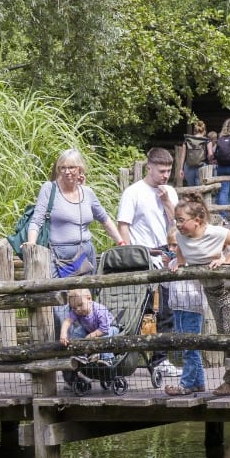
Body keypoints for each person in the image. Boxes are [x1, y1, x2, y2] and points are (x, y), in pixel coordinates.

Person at [165, 196, 230, 397]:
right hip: (210, 290)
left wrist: (226, 262)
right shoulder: (180, 237)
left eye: (182, 220)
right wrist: (179, 263)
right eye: (176, 220)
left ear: (198, 220)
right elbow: (184, 254)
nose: (178, 224)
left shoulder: (214, 232)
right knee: (225, 334)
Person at [116, 147, 182, 381]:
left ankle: (161, 359)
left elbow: (180, 223)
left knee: (166, 311)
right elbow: (123, 224)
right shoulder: (133, 192)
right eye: (161, 171)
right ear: (149, 167)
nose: (165, 175)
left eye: (169, 171)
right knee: (142, 311)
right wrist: (128, 256)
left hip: (166, 256)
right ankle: (127, 357)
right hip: (142, 258)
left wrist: (166, 202)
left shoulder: (170, 192)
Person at [26, 148, 123, 277]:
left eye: (71, 167)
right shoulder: (49, 189)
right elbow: (37, 220)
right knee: (60, 295)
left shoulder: (87, 192)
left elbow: (104, 219)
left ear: (80, 169)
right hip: (59, 256)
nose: (67, 172)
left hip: (85, 254)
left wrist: (121, 243)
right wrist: (31, 243)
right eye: (62, 168)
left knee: (86, 296)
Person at [58, 288, 119, 386]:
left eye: (80, 305)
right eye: (74, 308)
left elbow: (104, 329)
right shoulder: (77, 311)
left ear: (89, 298)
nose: (77, 309)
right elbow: (67, 321)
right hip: (90, 329)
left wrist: (91, 335)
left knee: (104, 338)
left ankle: (107, 359)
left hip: (110, 329)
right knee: (77, 332)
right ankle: (80, 355)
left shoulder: (100, 310)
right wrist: (63, 334)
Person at [180, 120, 210, 188]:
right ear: (204, 130)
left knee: (191, 189)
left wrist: (181, 169)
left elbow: (183, 155)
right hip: (202, 166)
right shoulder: (206, 140)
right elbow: (210, 155)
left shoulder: (187, 140)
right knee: (199, 189)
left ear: (194, 130)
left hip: (188, 166)